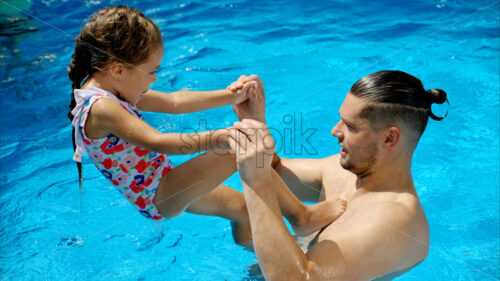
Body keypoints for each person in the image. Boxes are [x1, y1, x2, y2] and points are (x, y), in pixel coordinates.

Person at [68, 5, 345, 245]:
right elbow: (157, 142)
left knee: (242, 209)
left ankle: (258, 268)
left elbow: (176, 101)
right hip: (162, 192)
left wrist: (232, 95)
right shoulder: (103, 107)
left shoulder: (111, 90)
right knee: (243, 145)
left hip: (164, 180)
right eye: (151, 72)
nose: (153, 80)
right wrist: (223, 137)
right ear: (117, 70)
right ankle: (301, 216)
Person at [228, 70, 447, 280]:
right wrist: (254, 122)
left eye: (350, 126)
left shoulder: (396, 219)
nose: (335, 131)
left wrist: (255, 178)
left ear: (389, 139)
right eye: (341, 119)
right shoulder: (342, 171)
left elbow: (301, 280)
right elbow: (271, 171)